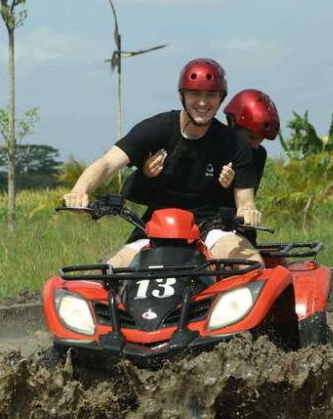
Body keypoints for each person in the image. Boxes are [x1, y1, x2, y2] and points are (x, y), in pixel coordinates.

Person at [62, 58, 263, 267]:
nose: (203, 102)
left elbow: (245, 200)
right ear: (181, 95)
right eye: (195, 93)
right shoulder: (156, 128)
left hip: (211, 228)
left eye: (211, 94)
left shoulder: (234, 143)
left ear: (221, 98)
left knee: (252, 264)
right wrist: (80, 190)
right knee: (107, 272)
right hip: (156, 228)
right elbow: (107, 163)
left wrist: (247, 211)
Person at [142, 88, 280, 244]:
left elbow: (244, 202)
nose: (255, 145)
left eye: (260, 140)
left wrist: (229, 188)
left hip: (225, 228)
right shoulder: (211, 142)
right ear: (232, 122)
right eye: (251, 137)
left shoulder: (257, 154)